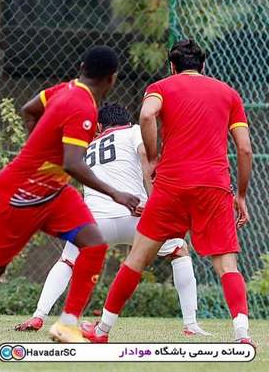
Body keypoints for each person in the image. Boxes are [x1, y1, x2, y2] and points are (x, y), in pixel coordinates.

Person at [0, 46, 141, 356]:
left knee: (94, 243)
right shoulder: (84, 108)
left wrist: (39, 146)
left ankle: (67, 324)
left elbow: (28, 110)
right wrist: (117, 193)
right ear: (112, 79)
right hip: (19, 194)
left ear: (82, 67)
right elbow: (72, 163)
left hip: (54, 192)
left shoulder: (64, 88)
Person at [82, 39, 254, 345]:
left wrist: (152, 158)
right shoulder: (228, 94)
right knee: (227, 265)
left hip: (171, 185)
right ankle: (242, 336)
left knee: (136, 259)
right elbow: (244, 149)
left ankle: (102, 331)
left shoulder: (161, 86)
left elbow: (147, 116)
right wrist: (240, 195)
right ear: (204, 66)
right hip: (214, 186)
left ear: (172, 67)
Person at [15, 103, 208, 336]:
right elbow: (147, 157)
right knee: (179, 250)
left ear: (98, 126)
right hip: (134, 215)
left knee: (67, 261)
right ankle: (190, 325)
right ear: (126, 121)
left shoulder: (88, 145)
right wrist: (154, 204)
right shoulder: (133, 130)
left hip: (96, 221)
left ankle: (38, 316)